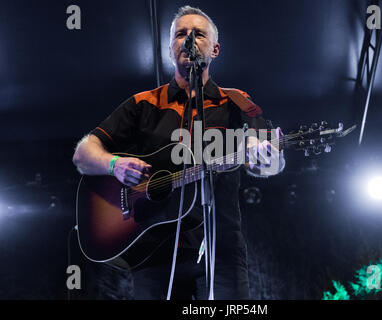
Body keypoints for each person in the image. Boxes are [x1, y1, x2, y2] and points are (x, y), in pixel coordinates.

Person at [72, 5, 285, 300]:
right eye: (181, 34)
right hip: (154, 249)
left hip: (220, 246)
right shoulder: (143, 103)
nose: (189, 39)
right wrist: (114, 165)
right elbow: (83, 153)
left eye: (198, 34)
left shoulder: (237, 101)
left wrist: (265, 153)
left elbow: (266, 161)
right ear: (170, 48)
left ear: (215, 49)